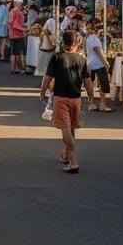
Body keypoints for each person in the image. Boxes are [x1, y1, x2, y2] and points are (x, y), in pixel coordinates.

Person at [39, 31, 94, 174]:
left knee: (65, 128)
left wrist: (42, 92)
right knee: (72, 128)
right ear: (77, 43)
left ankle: (73, 160)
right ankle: (67, 153)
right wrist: (91, 98)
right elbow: (88, 81)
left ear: (63, 43)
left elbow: (47, 77)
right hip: (76, 98)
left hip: (61, 97)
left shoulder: (57, 58)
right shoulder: (81, 60)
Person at [84, 21, 113, 112]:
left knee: (91, 83)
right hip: (97, 64)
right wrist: (105, 62)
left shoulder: (90, 38)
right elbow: (97, 50)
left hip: (91, 63)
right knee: (103, 83)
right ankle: (102, 105)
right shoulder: (93, 38)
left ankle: (92, 104)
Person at [8, 0, 27, 75]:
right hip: (18, 34)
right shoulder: (17, 12)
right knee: (19, 52)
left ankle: (13, 68)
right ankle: (20, 68)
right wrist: (23, 29)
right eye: (21, 4)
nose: (22, 5)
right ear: (19, 4)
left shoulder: (12, 11)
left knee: (13, 52)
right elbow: (15, 24)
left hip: (12, 34)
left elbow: (11, 22)